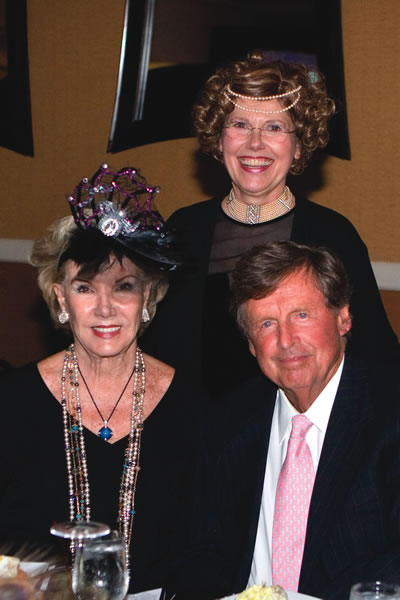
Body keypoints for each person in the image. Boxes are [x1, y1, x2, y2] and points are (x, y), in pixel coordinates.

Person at [142, 51, 399, 397]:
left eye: (274, 127)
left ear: (298, 146)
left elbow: (376, 359)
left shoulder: (333, 235)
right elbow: (155, 353)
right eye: (240, 125)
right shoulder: (183, 228)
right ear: (219, 138)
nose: (255, 143)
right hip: (193, 423)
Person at [0, 164, 200, 594]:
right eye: (86, 288)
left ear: (148, 296)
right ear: (61, 298)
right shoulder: (11, 404)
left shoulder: (195, 409)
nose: (105, 308)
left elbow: (208, 555)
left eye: (124, 287)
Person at [167, 241, 400, 600]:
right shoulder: (225, 423)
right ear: (250, 344)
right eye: (266, 324)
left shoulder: (389, 412)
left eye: (301, 315)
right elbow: (200, 555)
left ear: (343, 318)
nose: (286, 341)